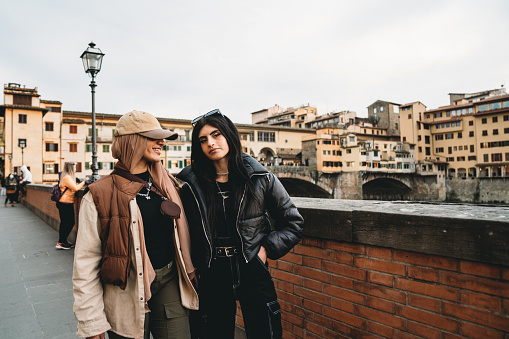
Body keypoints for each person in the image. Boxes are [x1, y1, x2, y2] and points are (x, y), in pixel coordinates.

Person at [176, 109, 304, 339]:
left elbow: (292, 222)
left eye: (216, 135)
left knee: (265, 331)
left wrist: (265, 251)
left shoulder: (259, 177)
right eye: (203, 140)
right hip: (212, 269)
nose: (211, 143)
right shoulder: (189, 183)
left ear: (229, 136)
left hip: (251, 264)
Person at [73, 110, 198, 339]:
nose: (161, 142)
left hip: (169, 280)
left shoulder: (169, 184)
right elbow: (86, 263)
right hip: (126, 291)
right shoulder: (99, 195)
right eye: (153, 137)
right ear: (132, 141)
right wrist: (91, 320)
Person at [56, 162, 85, 250]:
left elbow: (73, 186)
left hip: (64, 203)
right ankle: (61, 242)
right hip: (65, 203)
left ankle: (62, 241)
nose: (76, 169)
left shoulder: (66, 177)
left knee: (64, 223)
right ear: (71, 168)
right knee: (69, 222)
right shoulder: (67, 178)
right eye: (75, 168)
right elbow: (76, 188)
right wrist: (84, 182)